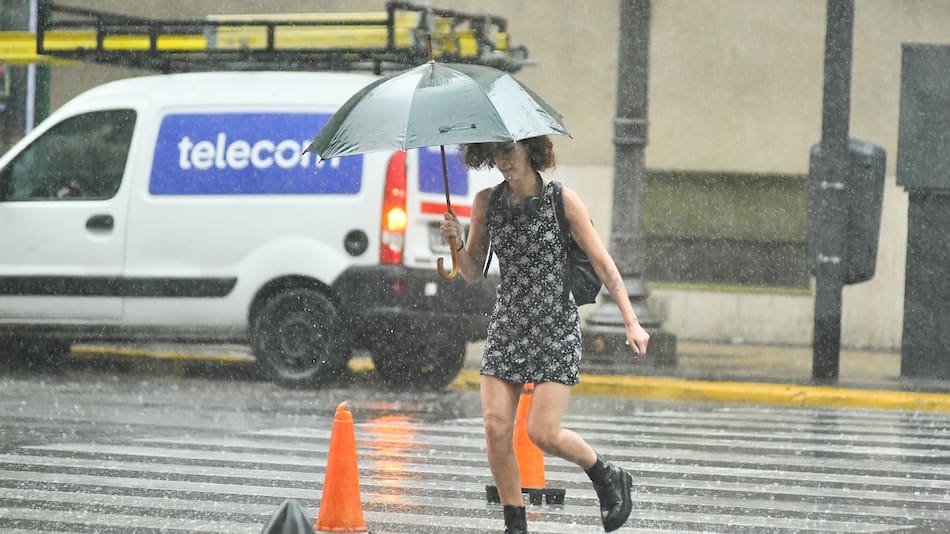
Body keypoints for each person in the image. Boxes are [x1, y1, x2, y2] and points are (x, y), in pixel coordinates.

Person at [439, 136, 650, 533]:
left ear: (529, 150)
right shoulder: (486, 203)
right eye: (496, 154)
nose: (503, 162)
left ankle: (606, 474)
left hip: (555, 325)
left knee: (542, 432)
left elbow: (604, 264)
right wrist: (455, 239)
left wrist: (631, 320)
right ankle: (515, 524)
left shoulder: (561, 200)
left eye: (510, 152)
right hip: (509, 325)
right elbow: (470, 271)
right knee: (495, 426)